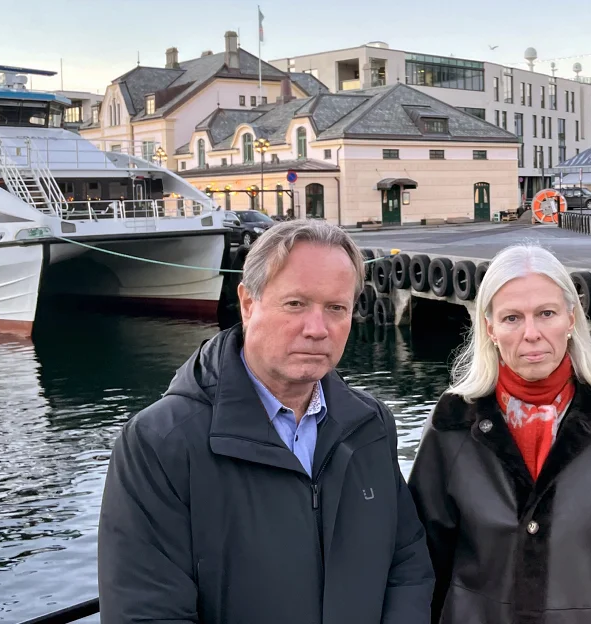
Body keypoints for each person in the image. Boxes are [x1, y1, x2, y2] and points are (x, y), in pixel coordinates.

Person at [97, 220, 434, 623]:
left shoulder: (370, 424)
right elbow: (146, 612)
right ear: (247, 303)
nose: (317, 329)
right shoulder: (159, 443)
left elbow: (407, 559)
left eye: (336, 308)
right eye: (296, 304)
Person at [407, 244, 591, 623]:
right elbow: (423, 560)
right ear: (490, 328)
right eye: (512, 318)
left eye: (545, 314)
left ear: (570, 318)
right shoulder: (452, 422)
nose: (531, 334)